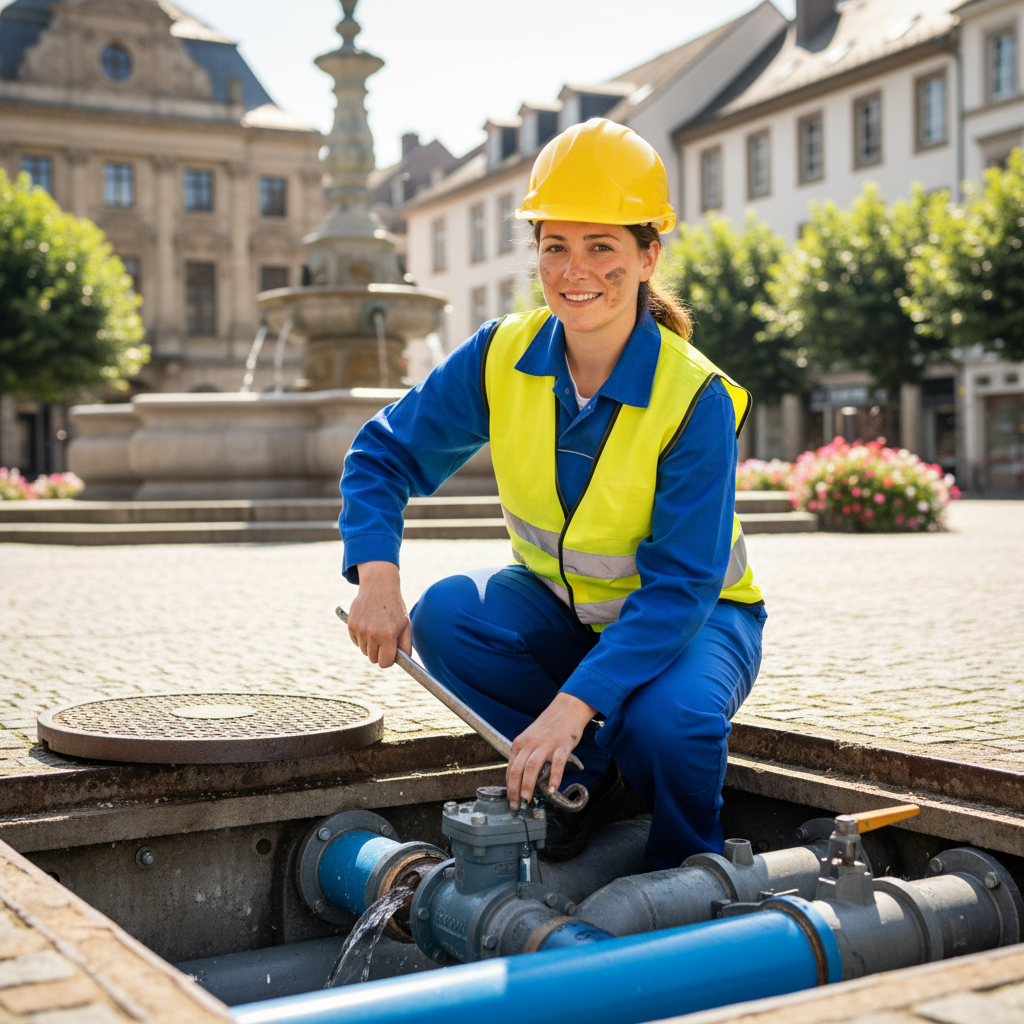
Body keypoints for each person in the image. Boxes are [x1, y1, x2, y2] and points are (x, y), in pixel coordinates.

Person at [341, 118, 765, 870]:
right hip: (564, 609)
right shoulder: (502, 354)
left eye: (602, 246)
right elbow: (383, 452)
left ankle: (688, 873)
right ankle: (575, 795)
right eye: (555, 246)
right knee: (449, 615)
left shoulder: (692, 395)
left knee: (667, 726)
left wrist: (574, 706)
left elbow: (680, 589)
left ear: (647, 255)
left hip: (693, 622)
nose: (576, 270)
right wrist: (377, 576)